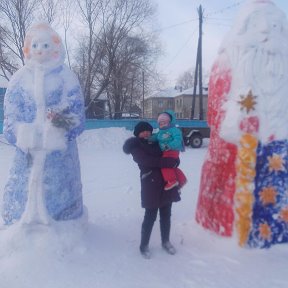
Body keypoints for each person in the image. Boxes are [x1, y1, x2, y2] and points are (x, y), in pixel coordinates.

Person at [195, 0, 288, 248]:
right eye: (259, 24)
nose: (268, 32)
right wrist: (238, 126)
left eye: (276, 26)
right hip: (234, 158)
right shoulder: (227, 65)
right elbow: (217, 113)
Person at [2, 22, 85, 225]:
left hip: (59, 155)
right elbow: (10, 119)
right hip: (27, 151)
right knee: (25, 186)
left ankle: (63, 225)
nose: (40, 50)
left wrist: (58, 124)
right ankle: (18, 224)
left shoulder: (67, 77)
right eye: (36, 45)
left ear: (56, 47)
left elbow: (78, 117)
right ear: (28, 48)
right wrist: (24, 133)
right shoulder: (19, 79)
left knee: (57, 189)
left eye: (46, 45)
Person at [123, 121, 181, 258]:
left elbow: (170, 154)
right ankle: (144, 246)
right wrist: (168, 163)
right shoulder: (136, 146)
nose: (146, 133)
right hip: (151, 184)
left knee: (166, 215)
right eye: (142, 131)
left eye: (148, 131)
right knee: (150, 216)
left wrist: (176, 161)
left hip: (167, 182)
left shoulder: (158, 142)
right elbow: (147, 161)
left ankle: (166, 241)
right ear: (137, 134)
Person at [150, 110, 187, 191]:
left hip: (172, 151)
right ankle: (181, 179)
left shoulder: (173, 130)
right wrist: (149, 138)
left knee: (165, 166)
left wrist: (170, 146)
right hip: (165, 152)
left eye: (164, 122)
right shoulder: (160, 132)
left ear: (169, 122)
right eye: (160, 123)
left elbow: (178, 139)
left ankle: (172, 181)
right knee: (171, 167)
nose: (162, 124)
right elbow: (156, 137)